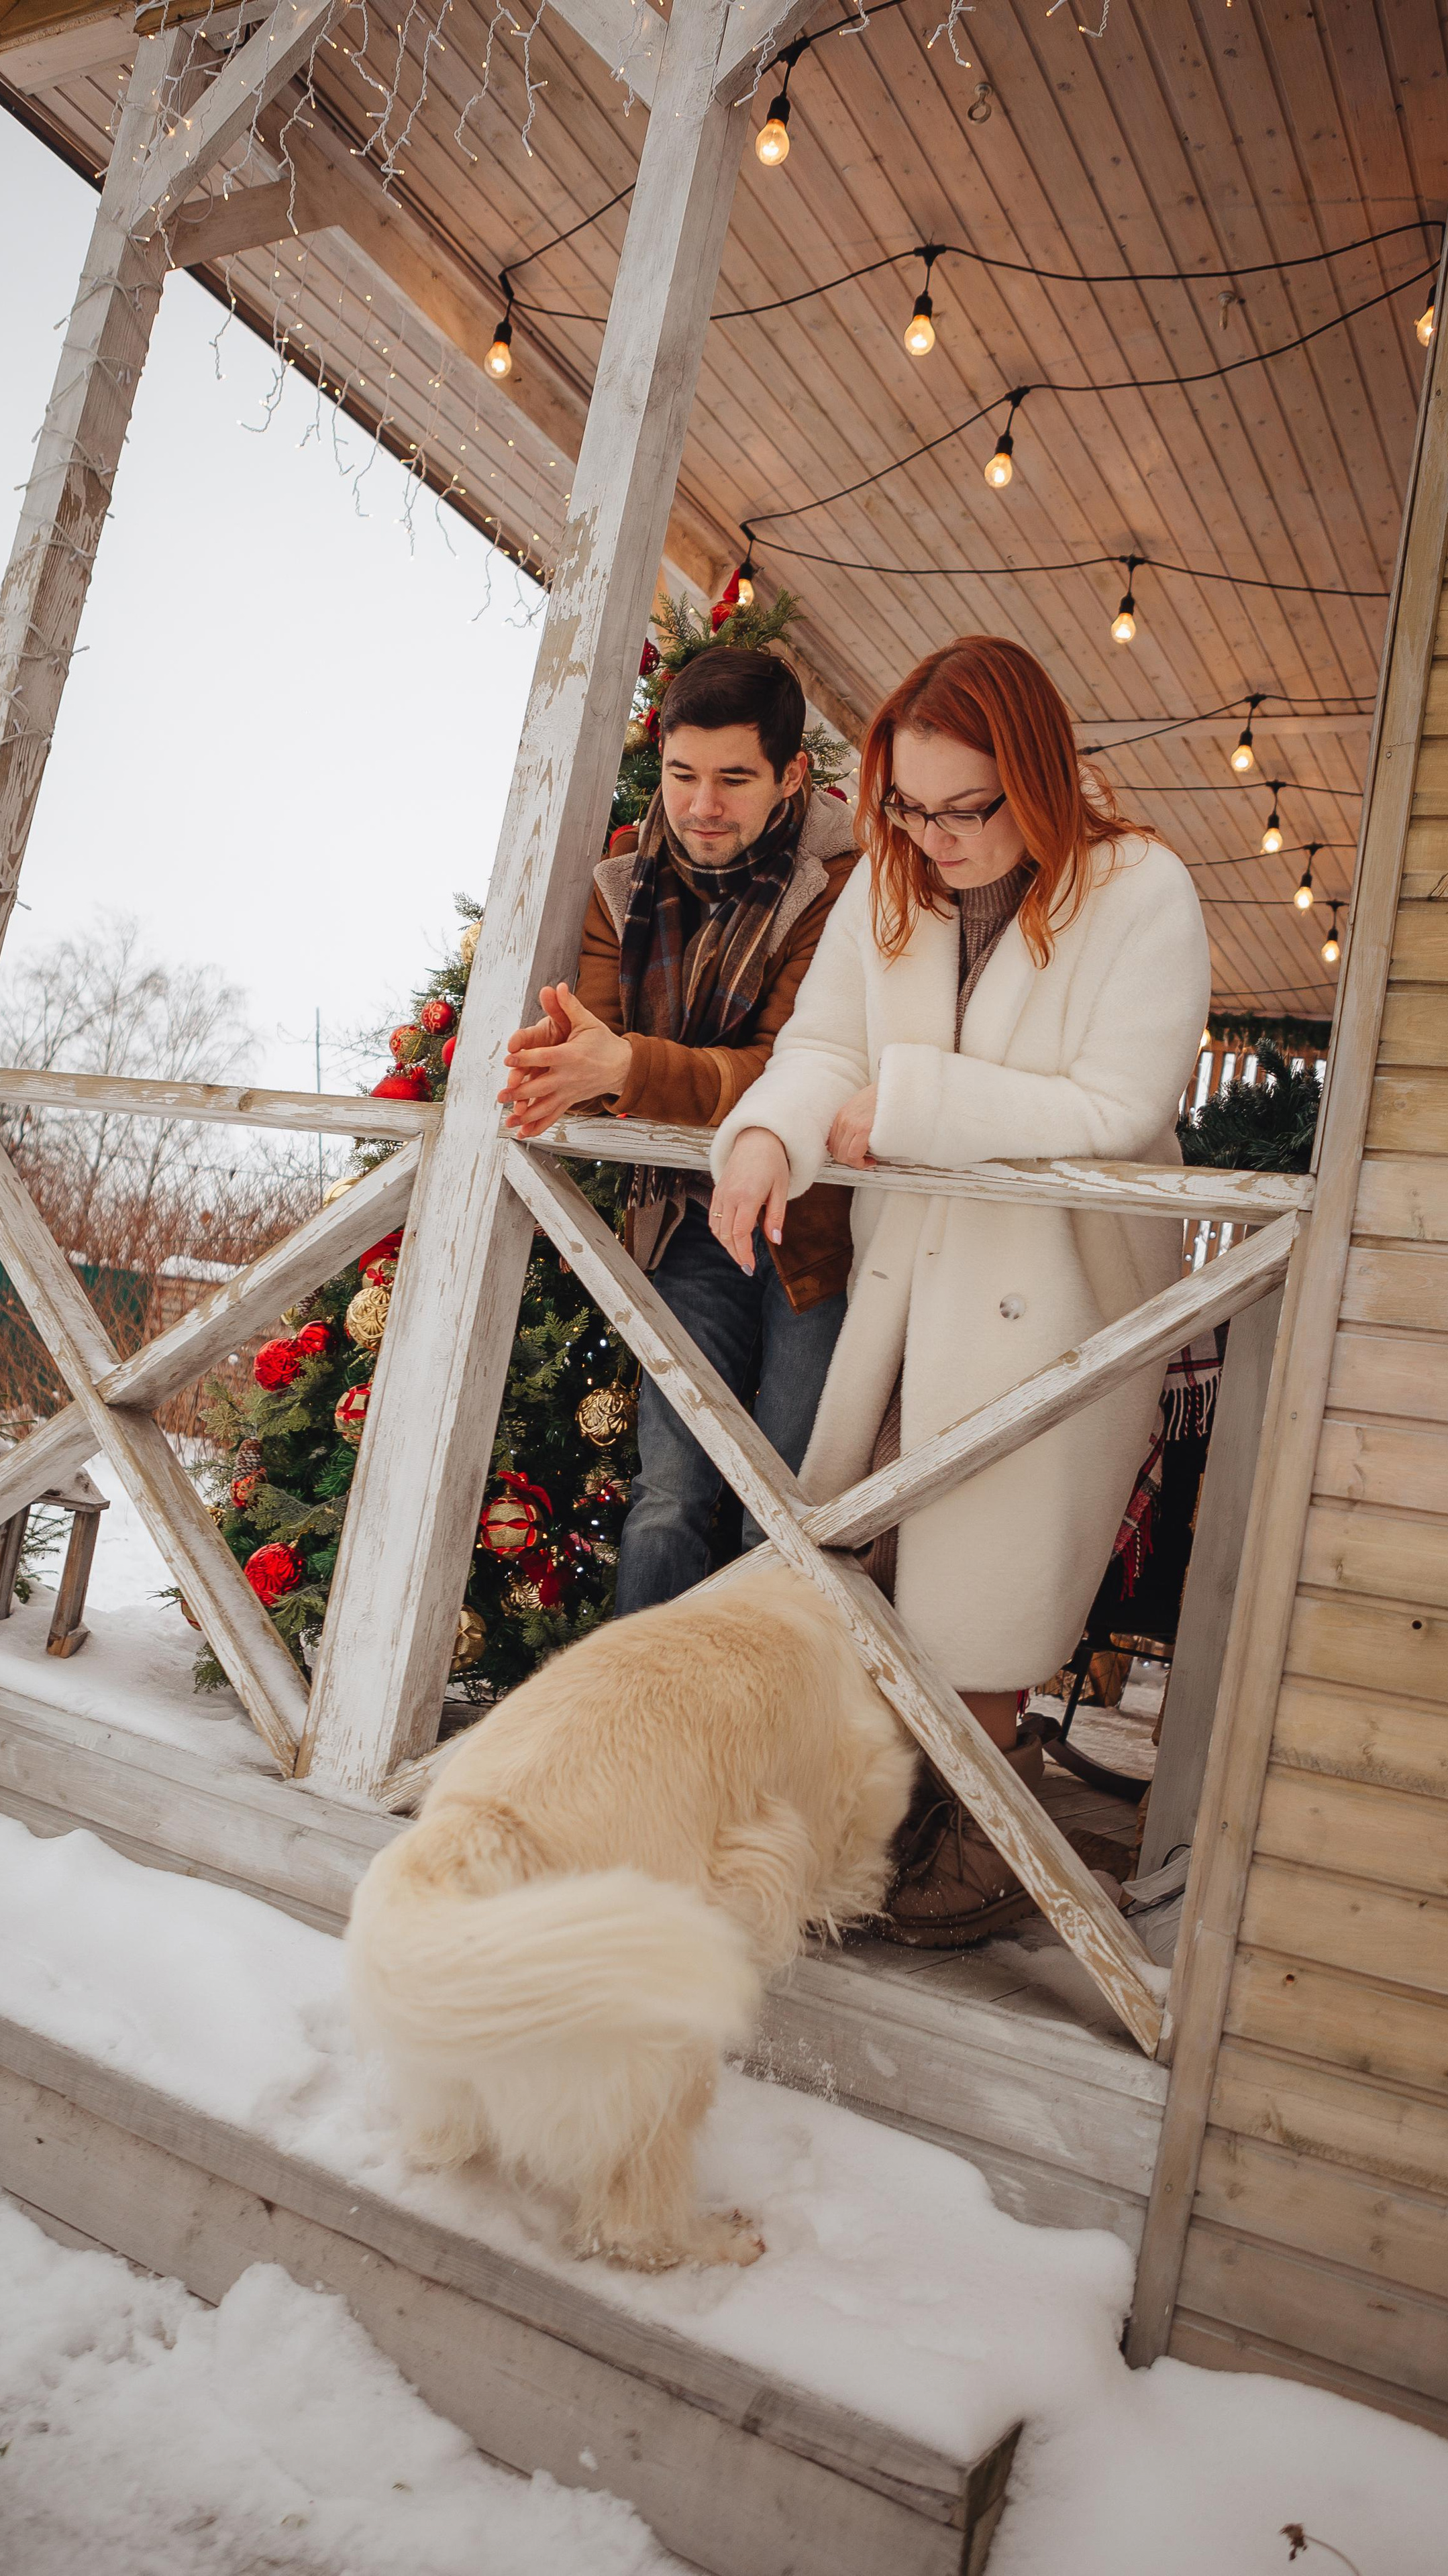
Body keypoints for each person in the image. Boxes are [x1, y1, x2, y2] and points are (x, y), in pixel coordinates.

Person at [708, 635, 1210, 1946]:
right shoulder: (893, 874)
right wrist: (767, 1133)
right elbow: (821, 1046)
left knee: (988, 1586)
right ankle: (870, 1836)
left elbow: (1121, 1101)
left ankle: (981, 1844)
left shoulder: (1137, 888)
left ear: (1032, 775)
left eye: (966, 808)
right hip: (908, 1280)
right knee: (862, 1550)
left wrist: (914, 1103)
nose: (936, 837)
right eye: (911, 809)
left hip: (1053, 1299)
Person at [499, 646, 858, 1613]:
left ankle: (744, 1751)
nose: (702, 805)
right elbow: (598, 1043)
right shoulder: (626, 887)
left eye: (734, 779)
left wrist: (628, 1069)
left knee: (782, 1513)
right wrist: (580, 1065)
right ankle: (630, 1743)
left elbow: (795, 1068)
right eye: (682, 774)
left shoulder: (845, 890)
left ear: (791, 776)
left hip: (815, 1237)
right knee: (668, 1496)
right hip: (683, 1228)